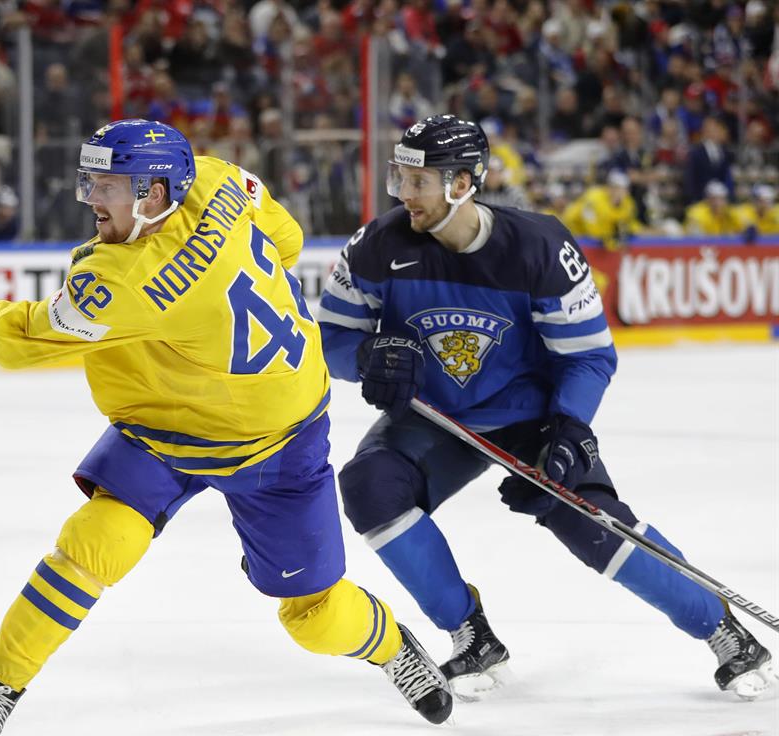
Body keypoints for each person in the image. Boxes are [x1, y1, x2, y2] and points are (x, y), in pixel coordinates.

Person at [0, 119, 455, 736]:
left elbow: (28, 335)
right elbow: (288, 239)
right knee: (95, 544)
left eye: (107, 185)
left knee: (316, 617)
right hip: (169, 423)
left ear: (155, 194)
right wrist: (202, 310)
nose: (91, 198)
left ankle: (393, 646)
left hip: (276, 443)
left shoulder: (126, 281)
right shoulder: (218, 179)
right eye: (91, 180)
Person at [316, 114, 775, 705]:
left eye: (418, 180)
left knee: (588, 521)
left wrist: (571, 426)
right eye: (398, 178)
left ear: (462, 184)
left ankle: (723, 631)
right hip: (435, 418)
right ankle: (470, 633)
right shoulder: (379, 244)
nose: (403, 194)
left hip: (528, 415)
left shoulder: (538, 247)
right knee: (370, 488)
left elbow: (588, 357)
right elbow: (330, 340)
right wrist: (370, 355)